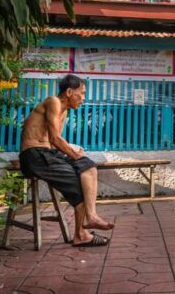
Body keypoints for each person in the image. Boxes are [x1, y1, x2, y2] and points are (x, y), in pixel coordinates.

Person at [19, 74, 114, 247]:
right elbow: (55, 139)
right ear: (69, 91)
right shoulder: (53, 101)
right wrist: (75, 155)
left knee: (89, 168)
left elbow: (53, 142)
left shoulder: (64, 111)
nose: (83, 99)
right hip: (34, 156)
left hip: (47, 154)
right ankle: (81, 233)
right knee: (81, 180)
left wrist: (75, 151)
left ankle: (90, 219)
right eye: (82, 93)